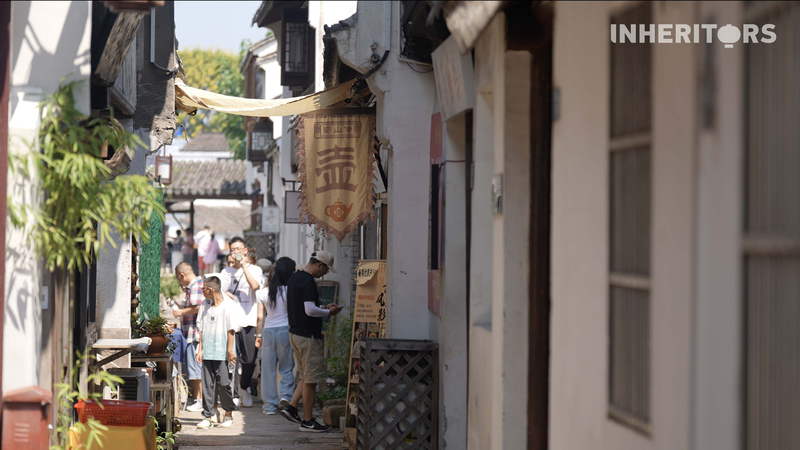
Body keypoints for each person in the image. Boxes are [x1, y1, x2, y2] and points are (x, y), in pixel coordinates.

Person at [281, 251, 342, 432]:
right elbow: (309, 310)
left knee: (305, 375)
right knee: (311, 379)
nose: (324, 274)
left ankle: (291, 407)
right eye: (325, 270)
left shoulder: (295, 278)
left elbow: (304, 307)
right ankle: (308, 420)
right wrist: (328, 312)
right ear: (319, 265)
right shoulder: (308, 281)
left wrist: (322, 307)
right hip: (309, 336)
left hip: (295, 334)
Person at [223, 237, 263, 408]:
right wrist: (226, 295)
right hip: (231, 321)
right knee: (232, 359)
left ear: (245, 251)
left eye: (238, 249)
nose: (236, 252)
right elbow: (219, 293)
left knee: (249, 360)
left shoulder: (256, 269)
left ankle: (244, 387)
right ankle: (232, 394)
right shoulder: (226, 272)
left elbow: (255, 286)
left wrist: (244, 266)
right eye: (233, 249)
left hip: (249, 320)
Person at [195, 275, 239, 429]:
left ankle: (228, 412)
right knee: (207, 385)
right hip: (207, 351)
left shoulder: (228, 306)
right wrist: (200, 349)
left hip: (223, 353)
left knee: (225, 384)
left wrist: (229, 350)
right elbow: (201, 328)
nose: (202, 291)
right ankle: (208, 415)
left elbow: (231, 329)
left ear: (211, 289)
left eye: (203, 288)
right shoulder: (204, 306)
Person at [255, 257, 296, 415]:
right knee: (286, 367)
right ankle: (285, 396)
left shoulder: (263, 292)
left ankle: (269, 407)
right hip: (286, 330)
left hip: (269, 331)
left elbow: (260, 317)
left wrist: (258, 334)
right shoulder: (289, 290)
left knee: (268, 370)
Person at [173, 262, 205, 412]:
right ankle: (196, 399)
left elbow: (198, 307)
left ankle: (199, 400)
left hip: (194, 332)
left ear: (182, 275)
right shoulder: (194, 286)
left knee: (195, 369)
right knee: (193, 368)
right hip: (189, 332)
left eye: (178, 279)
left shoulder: (196, 286)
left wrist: (181, 312)